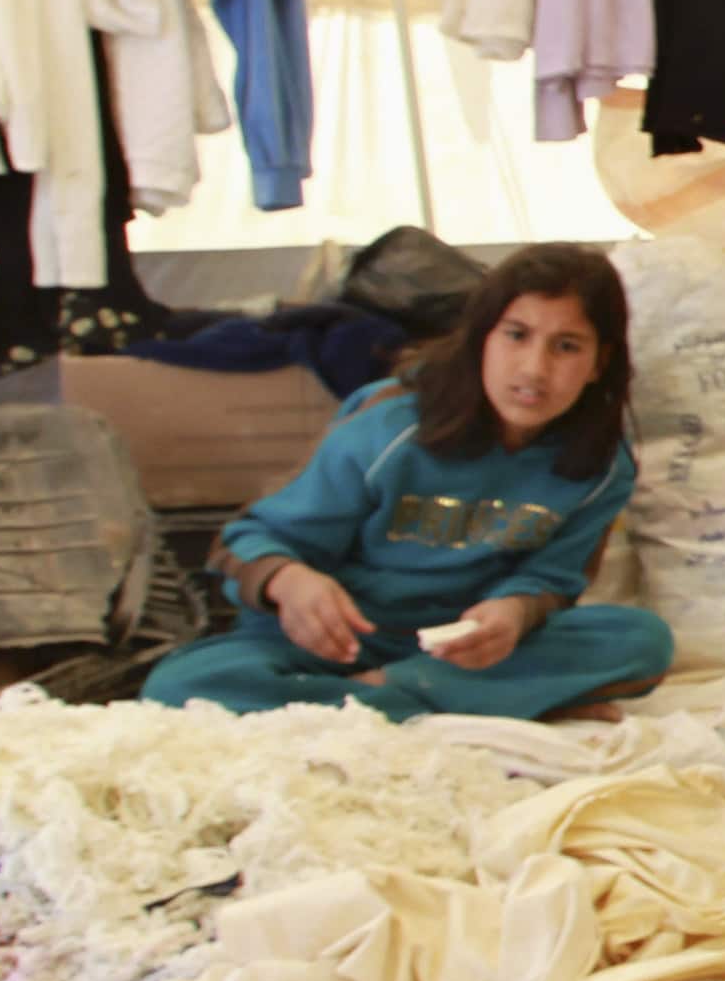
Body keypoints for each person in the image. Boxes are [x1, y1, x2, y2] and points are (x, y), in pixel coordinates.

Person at [143, 244, 672, 720]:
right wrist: (291, 581)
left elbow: (554, 582)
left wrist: (514, 612)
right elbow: (246, 544)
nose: (534, 368)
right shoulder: (390, 428)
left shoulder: (601, 467)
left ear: (600, 362)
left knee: (642, 642)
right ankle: (439, 703)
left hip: (458, 652)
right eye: (516, 335)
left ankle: (376, 701)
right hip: (334, 644)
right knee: (177, 686)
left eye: (567, 346)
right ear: (481, 340)